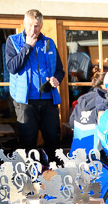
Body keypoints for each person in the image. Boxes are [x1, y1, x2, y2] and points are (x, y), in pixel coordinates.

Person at [5, 9, 64, 162]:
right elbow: (12, 67)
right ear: (24, 24)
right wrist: (27, 47)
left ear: (41, 25)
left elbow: (60, 70)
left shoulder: (49, 43)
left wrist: (57, 79)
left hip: (48, 99)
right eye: (30, 25)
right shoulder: (13, 41)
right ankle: (29, 177)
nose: (33, 29)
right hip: (25, 102)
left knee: (53, 139)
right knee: (27, 141)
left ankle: (53, 173)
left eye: (36, 26)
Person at [68, 67, 108, 154]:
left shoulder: (82, 99)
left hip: (77, 152)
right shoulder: (105, 102)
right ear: (104, 85)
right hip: (95, 155)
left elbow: (71, 122)